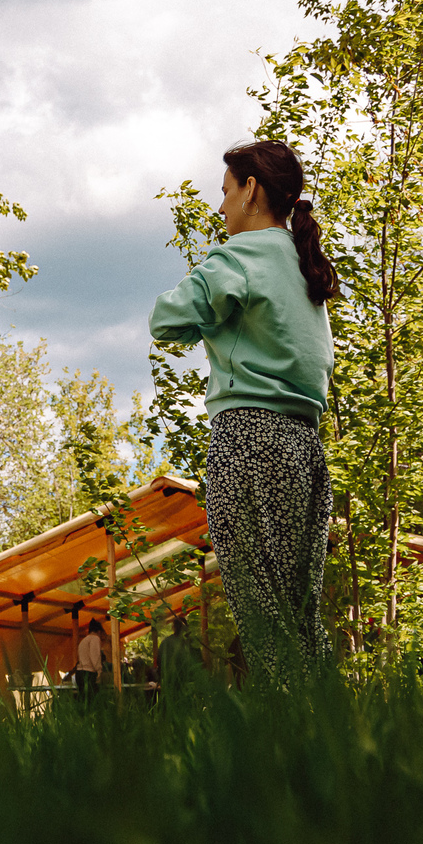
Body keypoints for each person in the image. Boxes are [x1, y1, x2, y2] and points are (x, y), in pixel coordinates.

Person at [149, 140, 338, 682]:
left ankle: (284, 748)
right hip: (306, 448)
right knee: (302, 617)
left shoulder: (236, 258)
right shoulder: (305, 267)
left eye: (226, 191)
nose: (222, 205)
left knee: (261, 612)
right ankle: (333, 736)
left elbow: (166, 321)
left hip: (248, 440)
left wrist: (215, 318)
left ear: (251, 190)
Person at [72, 619, 108, 697]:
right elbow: (95, 657)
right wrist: (99, 672)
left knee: (83, 699)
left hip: (79, 673)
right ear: (99, 632)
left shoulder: (84, 640)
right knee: (91, 700)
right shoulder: (95, 638)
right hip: (88, 674)